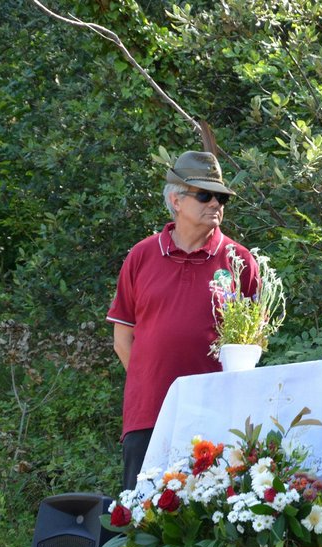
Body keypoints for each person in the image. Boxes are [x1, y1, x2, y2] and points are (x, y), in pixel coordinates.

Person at [107, 151, 258, 493]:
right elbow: (122, 339)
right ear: (175, 200)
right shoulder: (142, 256)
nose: (215, 204)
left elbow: (253, 344)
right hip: (149, 413)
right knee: (142, 520)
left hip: (218, 417)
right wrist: (155, 384)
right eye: (204, 195)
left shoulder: (239, 261)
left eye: (220, 197)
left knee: (213, 521)